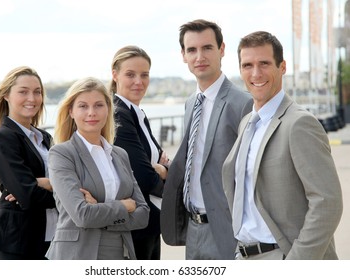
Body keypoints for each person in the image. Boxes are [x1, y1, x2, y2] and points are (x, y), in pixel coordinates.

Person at [222, 31, 343, 260]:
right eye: (247, 65)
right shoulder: (247, 122)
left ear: (282, 67)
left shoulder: (299, 123)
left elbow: (328, 203)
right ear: (240, 70)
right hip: (244, 255)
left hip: (282, 257)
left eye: (264, 63)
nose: (255, 73)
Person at [160, 19, 252, 260]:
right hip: (193, 228)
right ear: (183, 55)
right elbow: (197, 159)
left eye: (207, 48)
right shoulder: (191, 103)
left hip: (227, 230)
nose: (199, 56)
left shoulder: (243, 104)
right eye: (192, 50)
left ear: (221, 50)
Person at [46, 77, 149, 260]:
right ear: (71, 111)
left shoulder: (120, 154)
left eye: (99, 105)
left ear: (108, 109)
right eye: (83, 106)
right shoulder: (61, 154)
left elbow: (143, 215)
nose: (92, 113)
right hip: (78, 255)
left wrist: (100, 211)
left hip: (120, 255)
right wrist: (123, 206)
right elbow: (83, 216)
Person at [0, 66, 57, 260]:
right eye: (23, 92)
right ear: (6, 95)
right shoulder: (3, 138)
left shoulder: (44, 137)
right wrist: (69, 195)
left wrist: (47, 183)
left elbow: (67, 176)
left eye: (37, 92)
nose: (32, 99)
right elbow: (27, 194)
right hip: (17, 242)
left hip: (50, 238)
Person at [110, 45, 170, 260]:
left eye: (144, 75)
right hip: (134, 225)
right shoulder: (118, 114)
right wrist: (164, 173)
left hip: (149, 223)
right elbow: (142, 176)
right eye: (130, 74)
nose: (139, 81)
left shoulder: (137, 114)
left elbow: (163, 163)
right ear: (115, 75)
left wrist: (162, 169)